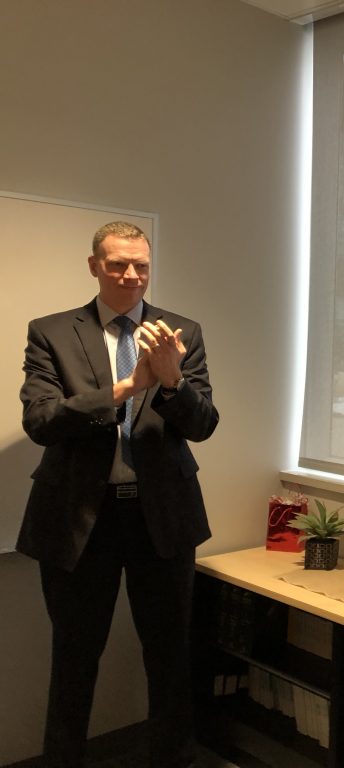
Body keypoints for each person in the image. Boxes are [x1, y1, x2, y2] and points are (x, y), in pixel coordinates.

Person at [17, 221, 219, 768]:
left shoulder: (181, 332)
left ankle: (173, 760)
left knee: (170, 657)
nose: (131, 275)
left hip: (162, 519)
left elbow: (203, 426)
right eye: (117, 264)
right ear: (94, 266)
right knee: (75, 659)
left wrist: (173, 382)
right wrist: (124, 389)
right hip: (81, 520)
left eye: (141, 265)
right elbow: (40, 421)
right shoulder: (52, 332)